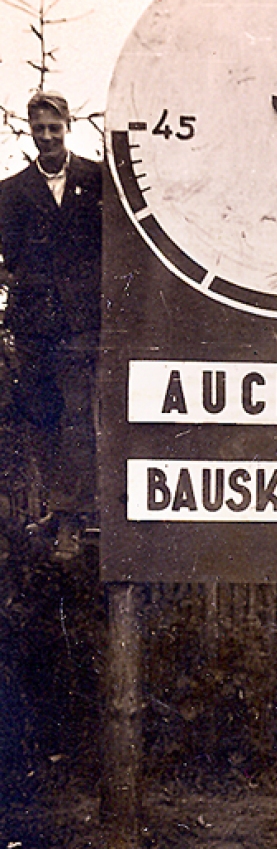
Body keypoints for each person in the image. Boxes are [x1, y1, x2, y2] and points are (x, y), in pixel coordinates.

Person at [0, 90, 101, 560]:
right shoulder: (13, 191)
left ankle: (73, 519)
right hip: (34, 323)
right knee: (43, 418)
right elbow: (12, 257)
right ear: (31, 130)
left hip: (80, 323)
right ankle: (60, 511)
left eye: (53, 128)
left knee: (78, 417)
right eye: (38, 129)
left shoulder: (95, 180)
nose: (46, 137)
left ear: (67, 127)